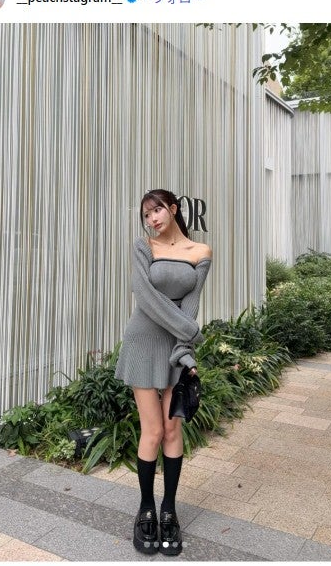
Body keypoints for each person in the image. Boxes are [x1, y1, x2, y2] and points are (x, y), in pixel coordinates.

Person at [115, 189, 212, 556]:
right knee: (153, 431)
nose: (152, 219)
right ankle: (145, 509)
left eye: (156, 210)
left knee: (173, 429)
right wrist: (192, 333)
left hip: (175, 347)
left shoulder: (200, 251)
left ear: (172, 209)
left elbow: (192, 303)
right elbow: (144, 295)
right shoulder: (143, 247)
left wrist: (185, 348)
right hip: (143, 340)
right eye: (146, 214)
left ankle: (168, 510)